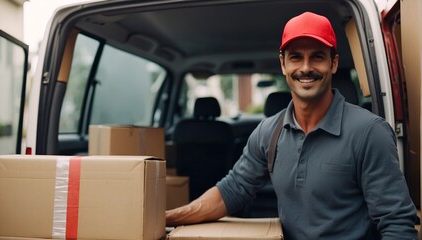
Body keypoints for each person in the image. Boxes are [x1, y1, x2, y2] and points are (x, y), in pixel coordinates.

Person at [166, 11, 418, 239]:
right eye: (296, 57)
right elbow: (232, 191)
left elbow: (396, 223)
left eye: (317, 57)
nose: (306, 68)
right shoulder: (267, 133)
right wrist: (167, 218)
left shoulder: (369, 131)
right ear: (283, 64)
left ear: (333, 63)